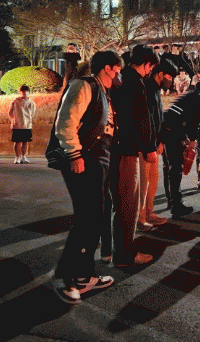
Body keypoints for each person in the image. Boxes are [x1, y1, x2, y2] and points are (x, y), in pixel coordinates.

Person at [49, 50, 122, 304]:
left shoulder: (103, 92)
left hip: (98, 162)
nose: (119, 74)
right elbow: (65, 122)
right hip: (84, 159)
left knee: (96, 219)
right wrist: (74, 154)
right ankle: (64, 275)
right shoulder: (85, 85)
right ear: (108, 68)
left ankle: (84, 275)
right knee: (86, 219)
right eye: (117, 69)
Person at [109, 44, 159, 267]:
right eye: (151, 67)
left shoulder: (121, 79)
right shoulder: (134, 82)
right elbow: (139, 118)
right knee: (128, 203)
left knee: (122, 203)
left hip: (118, 147)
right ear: (147, 64)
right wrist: (148, 147)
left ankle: (119, 251)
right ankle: (124, 254)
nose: (150, 71)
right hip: (126, 150)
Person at [160, 77, 200, 217]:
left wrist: (184, 136)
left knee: (168, 167)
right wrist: (193, 140)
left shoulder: (188, 94)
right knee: (176, 168)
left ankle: (171, 200)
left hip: (165, 128)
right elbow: (194, 122)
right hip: (173, 131)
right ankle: (176, 205)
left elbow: (181, 116)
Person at [139, 59, 179, 231]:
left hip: (154, 143)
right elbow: (145, 120)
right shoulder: (146, 88)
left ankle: (148, 213)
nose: (171, 81)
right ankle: (140, 218)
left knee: (152, 181)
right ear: (160, 73)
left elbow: (158, 118)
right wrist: (149, 145)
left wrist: (160, 140)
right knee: (143, 183)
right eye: (169, 76)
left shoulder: (156, 90)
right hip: (145, 145)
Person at [8, 84, 37, 164]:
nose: (24, 93)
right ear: (20, 92)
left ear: (29, 92)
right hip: (17, 125)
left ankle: (24, 157)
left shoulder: (31, 102)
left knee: (25, 142)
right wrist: (14, 120)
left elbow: (33, 113)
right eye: (23, 91)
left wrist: (28, 120)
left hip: (27, 125)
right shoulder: (15, 101)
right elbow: (10, 112)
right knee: (17, 142)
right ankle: (17, 157)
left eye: (26, 91)